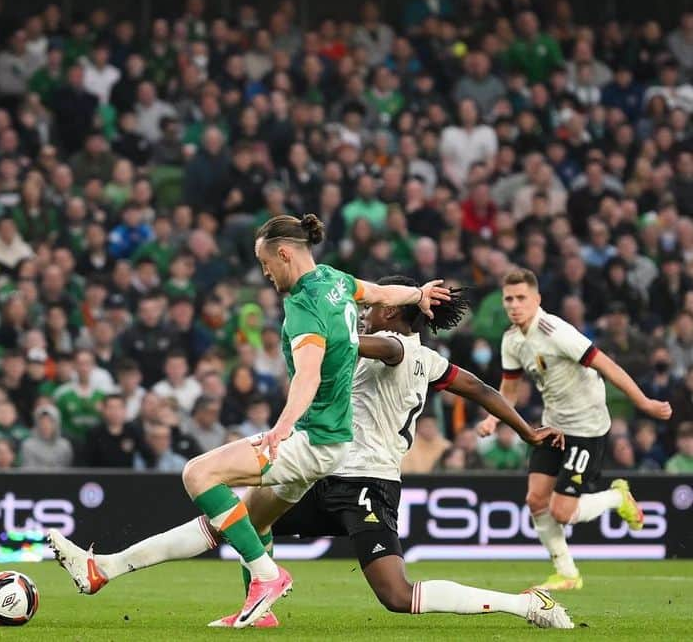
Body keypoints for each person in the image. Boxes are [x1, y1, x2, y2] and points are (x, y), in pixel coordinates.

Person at [48, 213, 449, 628]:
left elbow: (308, 375)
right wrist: (417, 294)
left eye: (265, 263)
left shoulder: (304, 306)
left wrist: (281, 428)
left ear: (283, 253)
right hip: (329, 441)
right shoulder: (336, 281)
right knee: (248, 523)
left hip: (312, 439)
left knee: (198, 475)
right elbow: (382, 292)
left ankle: (266, 576)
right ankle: (107, 570)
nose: (265, 273)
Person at [266, 275, 571, 629]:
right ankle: (260, 603)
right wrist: (528, 432)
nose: (365, 311)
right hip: (327, 472)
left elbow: (341, 340)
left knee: (398, 596)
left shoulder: (392, 347)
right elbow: (482, 389)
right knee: (245, 521)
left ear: (391, 309)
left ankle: (525, 604)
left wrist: (313, 310)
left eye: (372, 306)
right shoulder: (429, 359)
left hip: (365, 483)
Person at [476, 268, 671, 591]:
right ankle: (566, 573)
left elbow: (606, 365)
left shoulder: (555, 331)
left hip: (586, 426)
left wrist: (644, 402)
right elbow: (510, 387)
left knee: (562, 512)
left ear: (537, 300)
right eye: (508, 299)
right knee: (536, 500)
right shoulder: (511, 340)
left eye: (521, 297)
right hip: (554, 424)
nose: (514, 304)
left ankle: (615, 497)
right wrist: (494, 418)